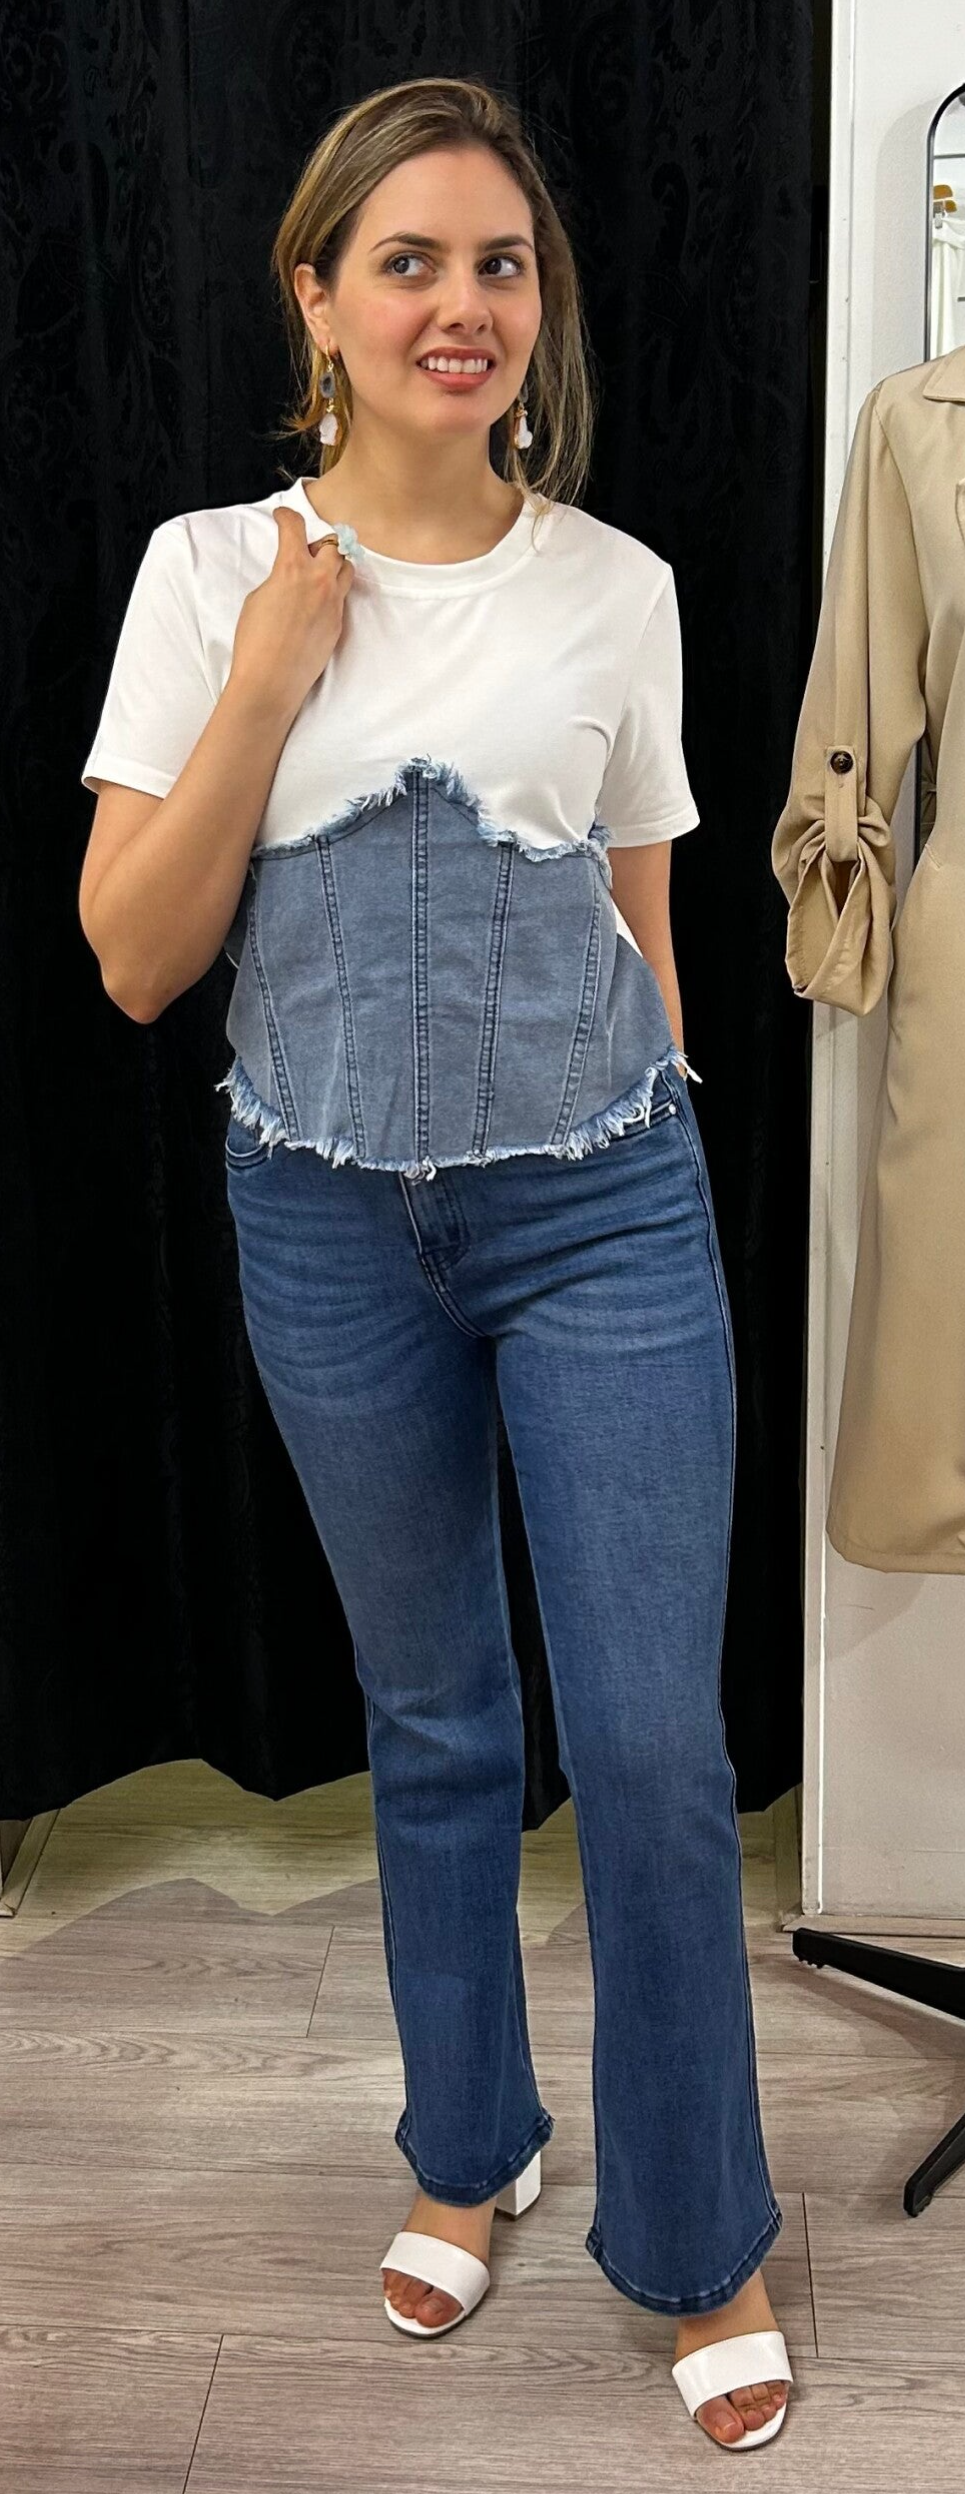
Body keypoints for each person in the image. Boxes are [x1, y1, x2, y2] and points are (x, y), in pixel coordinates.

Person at [78, 74, 793, 2453]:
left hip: (602, 1207)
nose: (461, 305)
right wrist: (274, 674)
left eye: (500, 263)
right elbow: (135, 959)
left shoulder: (615, 587)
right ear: (317, 297)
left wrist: (658, 1153)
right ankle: (466, 2147)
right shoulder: (210, 573)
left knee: (656, 1746)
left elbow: (643, 921)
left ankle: (698, 2233)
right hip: (320, 1215)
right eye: (408, 261)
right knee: (438, 1714)